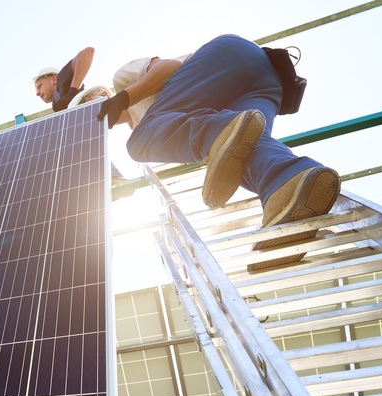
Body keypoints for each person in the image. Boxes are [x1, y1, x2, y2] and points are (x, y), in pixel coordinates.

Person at [96, 34, 340, 271]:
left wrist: (123, 98)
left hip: (228, 58)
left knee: (140, 142)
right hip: (265, 83)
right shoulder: (153, 121)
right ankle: (287, 182)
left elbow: (168, 66)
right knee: (239, 151)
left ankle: (220, 132)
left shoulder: (122, 84)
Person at [32, 47, 128, 186]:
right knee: (82, 146)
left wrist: (73, 91)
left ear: (53, 79)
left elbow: (88, 51)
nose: (37, 93)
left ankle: (113, 178)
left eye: (39, 86)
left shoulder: (62, 81)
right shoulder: (57, 103)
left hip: (91, 110)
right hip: (91, 119)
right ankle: (113, 179)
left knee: (82, 145)